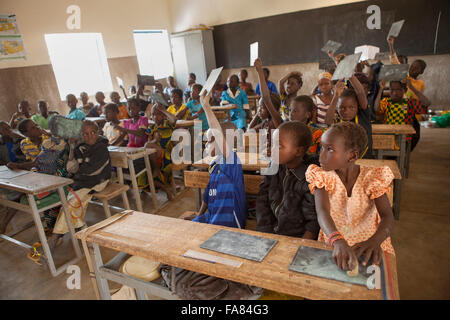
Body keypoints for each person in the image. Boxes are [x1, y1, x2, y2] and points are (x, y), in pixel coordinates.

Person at [306, 122, 395, 271]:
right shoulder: (323, 177)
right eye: (322, 147)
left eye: (330, 149)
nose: (321, 155)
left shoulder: (372, 178)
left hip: (369, 243)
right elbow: (322, 212)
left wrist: (375, 241)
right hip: (334, 241)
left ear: (352, 155)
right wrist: (338, 240)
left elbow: (387, 216)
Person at [185, 90, 247, 229]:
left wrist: (206, 106)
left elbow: (218, 133)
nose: (206, 144)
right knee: (186, 227)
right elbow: (207, 196)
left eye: (211, 140)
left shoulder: (231, 162)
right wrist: (198, 216)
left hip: (230, 226)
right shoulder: (214, 165)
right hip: (211, 220)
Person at [48, 120, 111, 250]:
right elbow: (71, 167)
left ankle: (55, 237)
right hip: (83, 181)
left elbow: (91, 170)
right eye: (86, 134)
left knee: (71, 201)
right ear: (81, 135)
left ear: (98, 132)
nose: (90, 136)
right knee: (70, 201)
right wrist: (72, 147)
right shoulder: (81, 147)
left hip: (98, 181)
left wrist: (77, 172)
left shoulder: (101, 148)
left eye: (93, 132)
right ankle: (82, 231)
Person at [256, 121, 319, 238]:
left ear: (298, 151)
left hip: (296, 237)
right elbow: (262, 200)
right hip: (271, 231)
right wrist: (264, 230)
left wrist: (302, 245)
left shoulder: (309, 177)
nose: (272, 149)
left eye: (279, 146)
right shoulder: (274, 167)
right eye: (272, 144)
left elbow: (313, 221)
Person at [325, 78, 373, 159]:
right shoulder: (337, 122)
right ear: (337, 108)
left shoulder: (363, 117)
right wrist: (336, 96)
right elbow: (327, 121)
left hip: (365, 161)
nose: (346, 111)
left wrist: (350, 75)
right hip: (344, 162)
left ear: (358, 107)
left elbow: (360, 92)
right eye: (342, 108)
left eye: (351, 107)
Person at [374, 80, 427, 150]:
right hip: (388, 136)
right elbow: (376, 108)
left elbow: (426, 103)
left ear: (404, 91)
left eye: (398, 90)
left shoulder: (409, 103)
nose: (395, 93)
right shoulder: (386, 102)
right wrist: (381, 89)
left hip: (404, 138)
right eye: (392, 90)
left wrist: (412, 88)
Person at [145, 103, 179, 200]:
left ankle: (157, 170)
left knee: (149, 151)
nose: (155, 117)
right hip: (154, 155)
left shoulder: (167, 124)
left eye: (158, 114)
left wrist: (164, 110)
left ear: (163, 116)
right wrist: (155, 141)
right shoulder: (151, 128)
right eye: (153, 114)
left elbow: (175, 119)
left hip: (168, 153)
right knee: (146, 169)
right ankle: (166, 188)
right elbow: (148, 143)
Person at [251, 58, 283, 155]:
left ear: (270, 108)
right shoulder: (265, 123)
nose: (259, 110)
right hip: (265, 156)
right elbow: (250, 129)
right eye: (259, 107)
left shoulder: (276, 121)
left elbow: (266, 98)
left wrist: (260, 71)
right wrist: (258, 112)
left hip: (276, 160)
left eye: (262, 108)